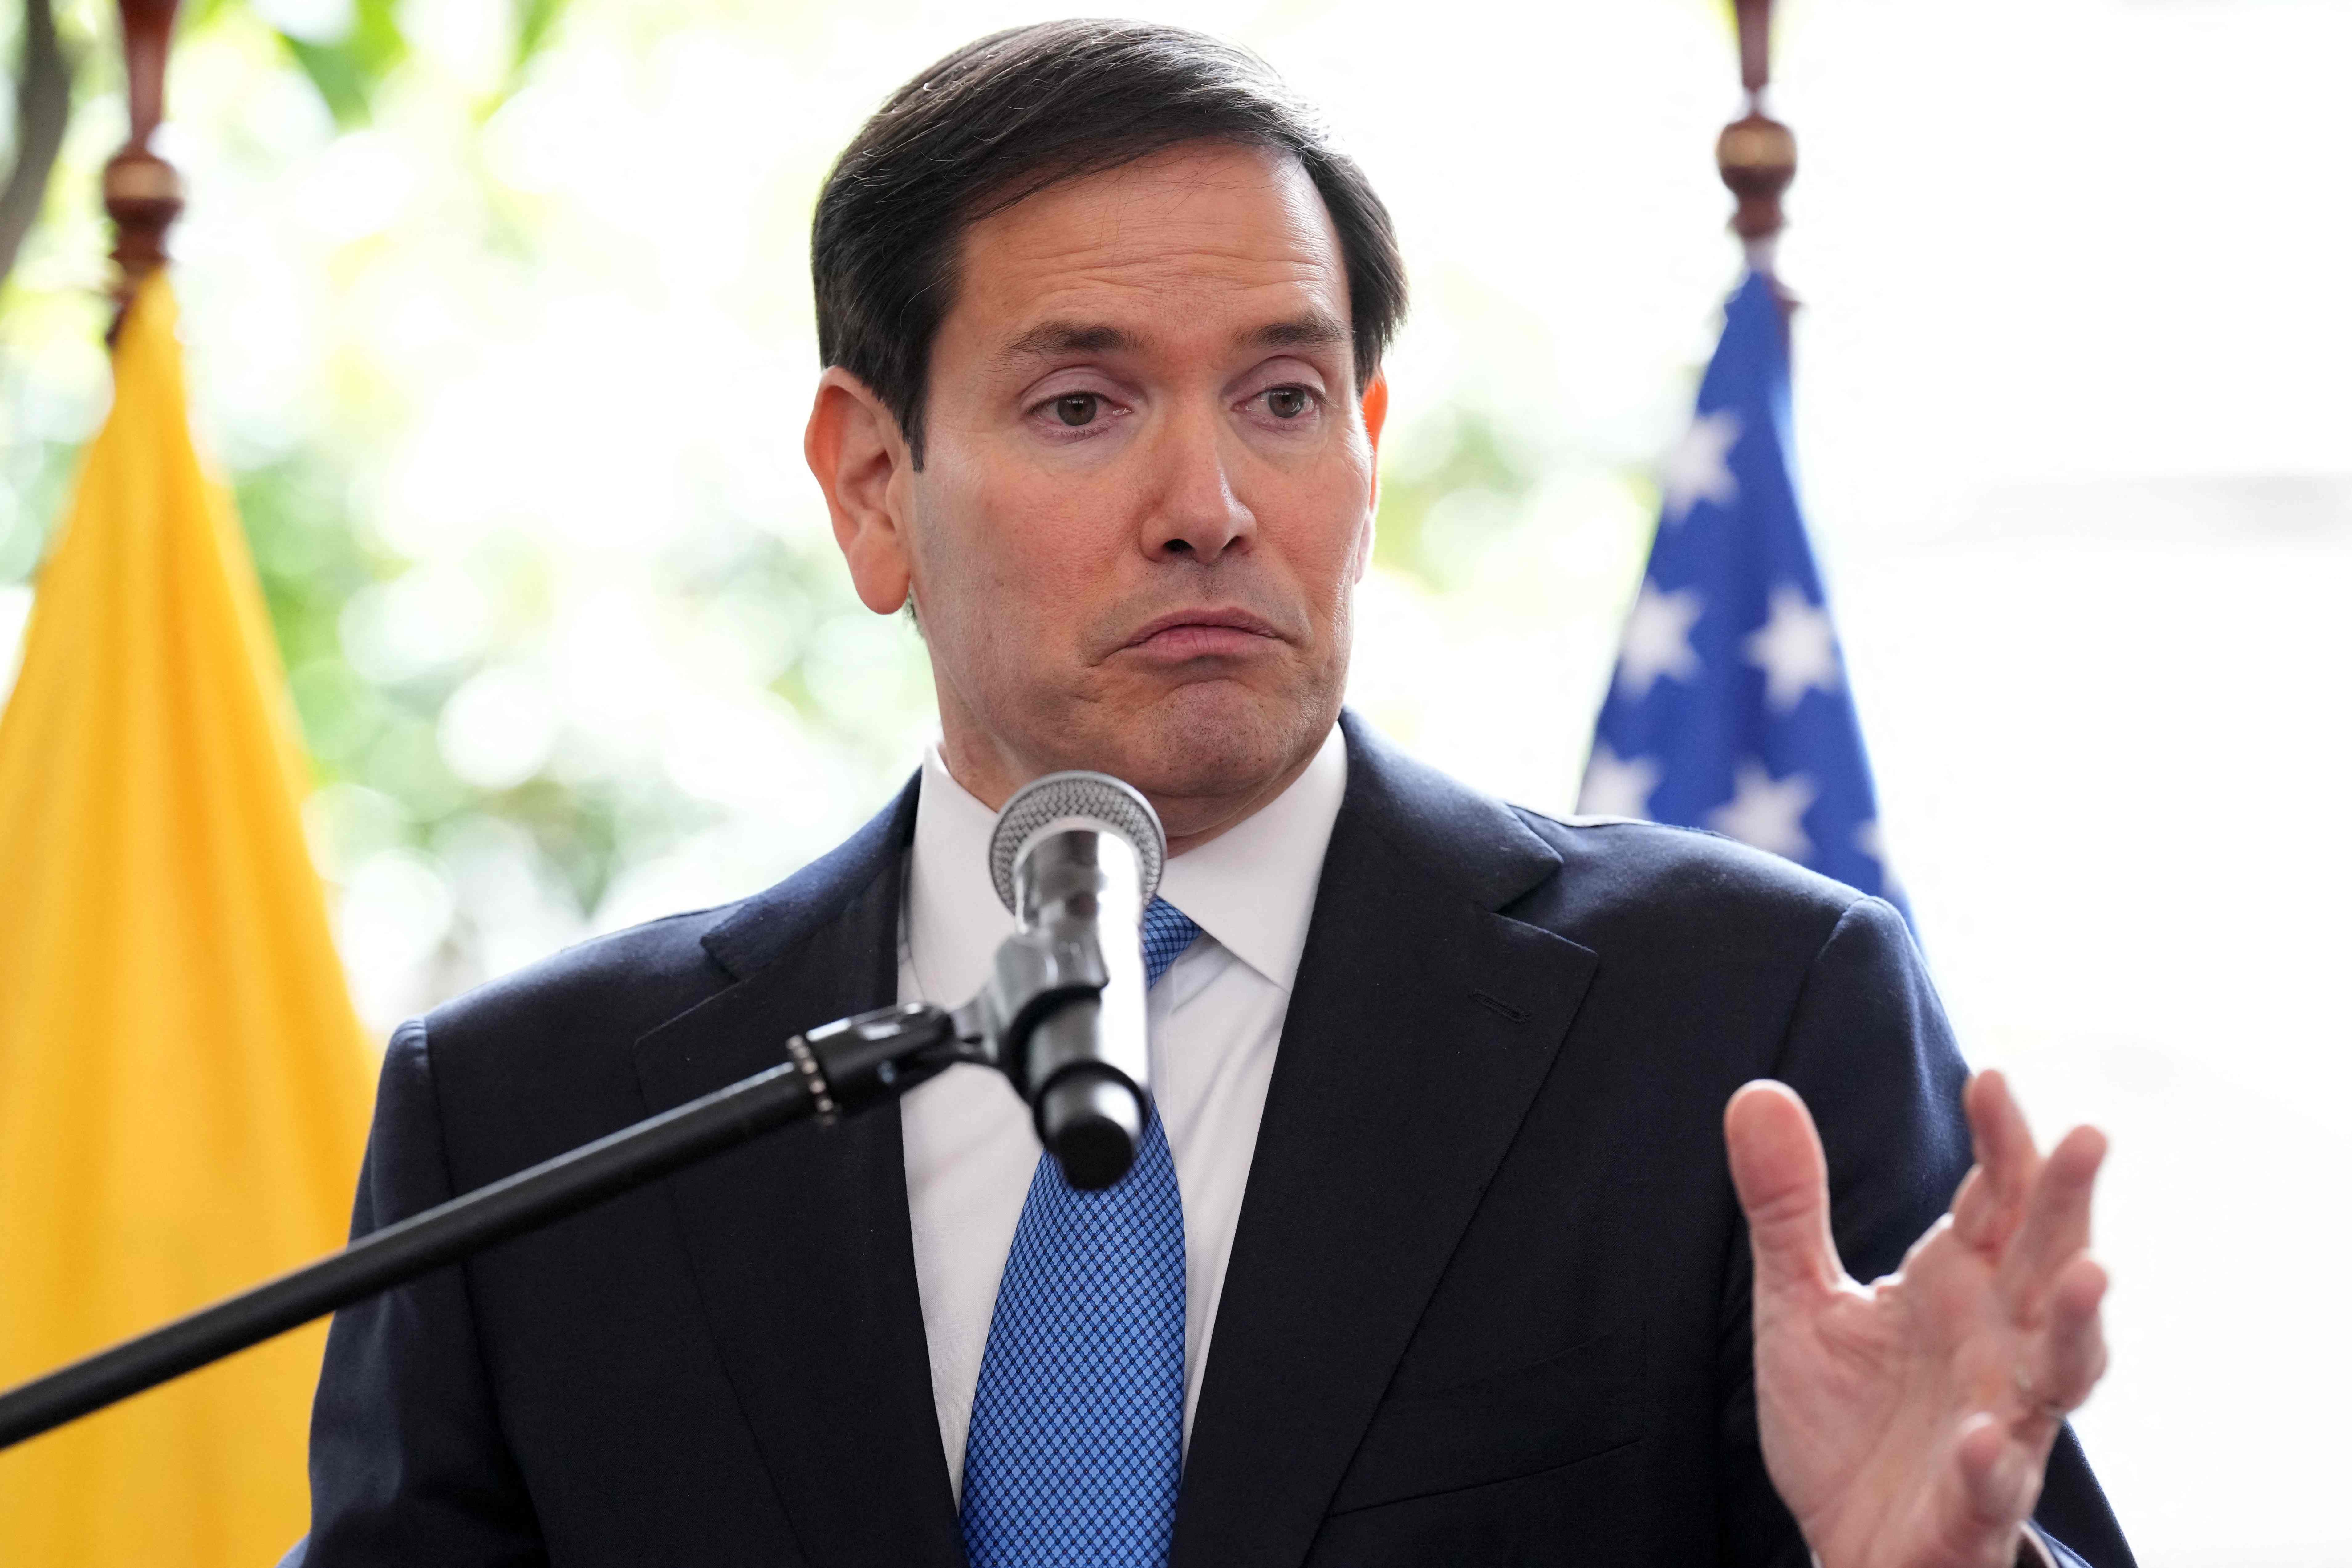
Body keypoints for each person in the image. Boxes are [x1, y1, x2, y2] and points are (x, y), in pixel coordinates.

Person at [287, 21, 2132, 1568]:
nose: (1210, 505)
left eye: (1279, 397)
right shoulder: (534, 1129)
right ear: (868, 483)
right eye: (1083, 405)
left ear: (1367, 446)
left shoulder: (1733, 1016)